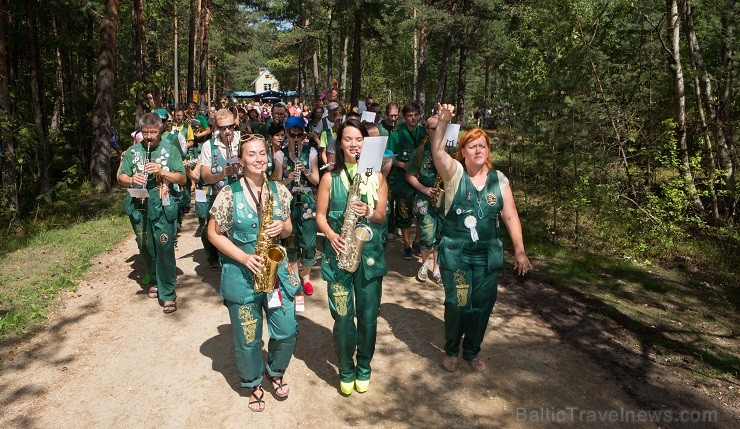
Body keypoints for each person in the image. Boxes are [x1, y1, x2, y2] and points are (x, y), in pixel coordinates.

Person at [430, 104, 532, 372]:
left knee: (482, 306)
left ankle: (472, 352)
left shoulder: (499, 180)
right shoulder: (454, 175)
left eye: (482, 146)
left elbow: (510, 216)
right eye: (472, 146)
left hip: (488, 255)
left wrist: (519, 251)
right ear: (463, 151)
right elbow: (437, 152)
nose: (478, 150)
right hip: (457, 253)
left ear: (488, 151)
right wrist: (443, 121)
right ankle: (452, 349)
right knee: (459, 303)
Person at [207, 133, 298, 412]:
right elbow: (213, 233)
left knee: (286, 330)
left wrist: (281, 227)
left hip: (276, 274)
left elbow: (290, 228)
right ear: (241, 159)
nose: (258, 159)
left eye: (262, 154)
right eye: (251, 155)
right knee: (248, 338)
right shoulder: (228, 193)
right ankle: (254, 382)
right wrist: (244, 257)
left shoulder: (280, 190)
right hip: (241, 273)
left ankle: (275, 369)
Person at [316, 119, 388, 395]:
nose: (353, 144)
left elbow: (381, 216)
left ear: (365, 143)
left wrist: (368, 211)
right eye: (347, 139)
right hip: (340, 257)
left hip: (369, 258)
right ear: (339, 142)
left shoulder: (378, 177)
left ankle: (364, 367)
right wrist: (331, 235)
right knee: (343, 317)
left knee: (368, 317)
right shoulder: (329, 178)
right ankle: (346, 369)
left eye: (358, 139)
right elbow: (320, 216)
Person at [117, 113, 186, 314]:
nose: (149, 137)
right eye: (145, 133)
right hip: (139, 206)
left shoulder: (170, 150)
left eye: (153, 133)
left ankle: (168, 293)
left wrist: (161, 172)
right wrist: (132, 179)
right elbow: (121, 176)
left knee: (164, 246)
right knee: (145, 246)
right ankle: (156, 279)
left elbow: (182, 178)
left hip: (163, 206)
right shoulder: (133, 151)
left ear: (160, 130)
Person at [274, 116, 320, 296]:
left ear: (303, 135)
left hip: (307, 201)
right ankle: (294, 279)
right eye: (292, 134)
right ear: (287, 134)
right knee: (290, 240)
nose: (295, 138)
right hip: (288, 203)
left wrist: (305, 170)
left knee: (308, 242)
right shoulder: (280, 154)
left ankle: (306, 277)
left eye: (299, 134)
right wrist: (288, 179)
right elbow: (276, 184)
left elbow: (316, 179)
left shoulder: (311, 152)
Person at [199, 108, 241, 271]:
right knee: (216, 231)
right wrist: (223, 173)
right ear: (216, 127)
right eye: (223, 128)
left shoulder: (242, 141)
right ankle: (221, 262)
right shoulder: (209, 146)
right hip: (219, 195)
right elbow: (206, 176)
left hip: (241, 194)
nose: (228, 131)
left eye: (231, 127)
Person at [405, 114, 443, 283]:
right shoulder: (420, 152)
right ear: (427, 130)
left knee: (442, 233)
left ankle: (437, 268)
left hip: (445, 199)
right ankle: (425, 263)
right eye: (433, 128)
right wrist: (424, 189)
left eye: (440, 127)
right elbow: (409, 175)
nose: (437, 131)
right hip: (425, 197)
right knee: (427, 233)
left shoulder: (450, 151)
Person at [387, 102, 426, 259]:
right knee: (404, 212)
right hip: (402, 179)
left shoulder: (424, 132)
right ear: (404, 117)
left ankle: (417, 241)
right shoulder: (396, 134)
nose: (413, 118)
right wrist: (403, 165)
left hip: (422, 178)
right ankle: (407, 245)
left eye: (416, 114)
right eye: (410, 115)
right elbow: (389, 156)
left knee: (422, 210)